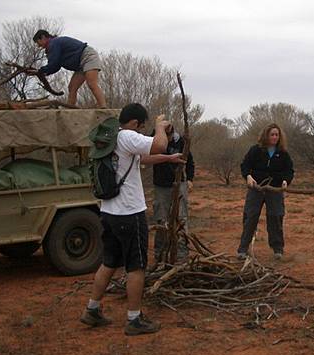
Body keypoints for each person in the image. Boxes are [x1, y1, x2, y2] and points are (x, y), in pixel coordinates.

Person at [80, 103, 184, 335]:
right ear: (135, 123)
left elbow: (143, 159)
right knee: (136, 266)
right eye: (142, 126)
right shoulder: (127, 136)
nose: (142, 129)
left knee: (109, 262)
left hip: (109, 212)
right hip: (129, 213)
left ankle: (92, 309)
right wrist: (159, 126)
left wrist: (168, 159)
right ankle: (134, 319)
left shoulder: (112, 139)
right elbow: (158, 144)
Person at [237, 123, 294, 260]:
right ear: (266, 135)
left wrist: (286, 180)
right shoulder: (256, 150)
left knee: (275, 217)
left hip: (275, 190)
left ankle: (277, 249)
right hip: (256, 188)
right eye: (272, 134)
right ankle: (243, 250)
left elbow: (289, 171)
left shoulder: (283, 153)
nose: (274, 137)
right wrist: (248, 177)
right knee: (250, 217)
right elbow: (245, 165)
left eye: (277, 135)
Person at [151, 125, 195, 263]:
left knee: (181, 218)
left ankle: (182, 253)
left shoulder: (180, 141)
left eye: (169, 136)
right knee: (161, 218)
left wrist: (189, 179)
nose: (167, 139)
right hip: (160, 186)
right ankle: (160, 253)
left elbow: (190, 162)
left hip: (179, 184)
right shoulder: (154, 140)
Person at [31, 29, 107, 107]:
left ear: (43, 37)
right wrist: (42, 72)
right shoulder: (52, 47)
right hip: (79, 65)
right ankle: (70, 110)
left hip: (88, 57)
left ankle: (103, 107)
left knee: (91, 83)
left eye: (38, 42)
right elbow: (56, 66)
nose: (38, 46)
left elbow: (53, 63)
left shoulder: (54, 43)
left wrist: (40, 71)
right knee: (72, 87)